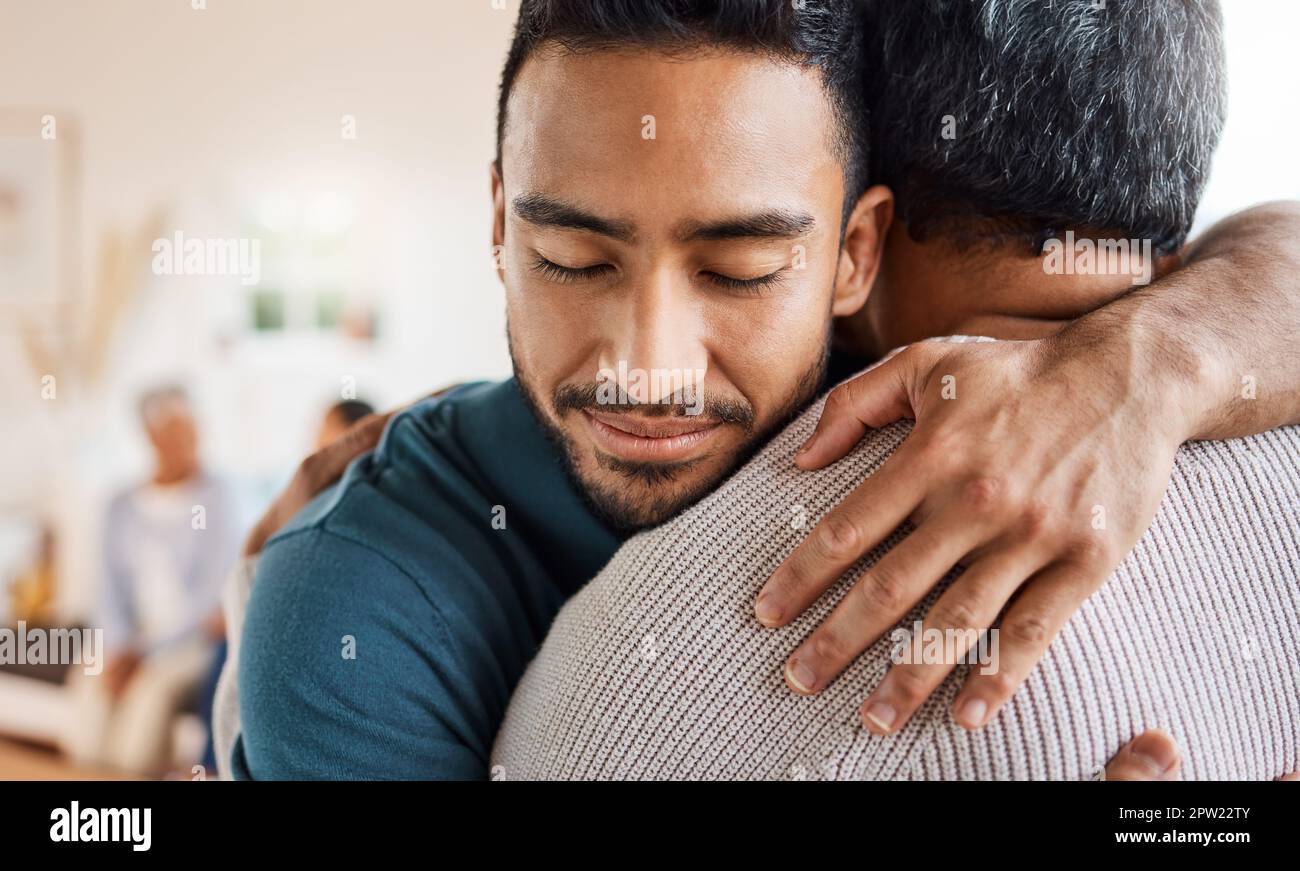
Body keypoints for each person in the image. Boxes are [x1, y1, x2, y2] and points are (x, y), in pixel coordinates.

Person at [230, 0, 1300, 779]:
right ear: (500, 225)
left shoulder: (910, 364)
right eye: (571, 256)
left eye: (739, 270)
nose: (649, 364)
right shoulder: (351, 615)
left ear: (856, 254)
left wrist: (1134, 374)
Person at [68, 385, 239, 775]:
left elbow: (210, 593)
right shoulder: (120, 503)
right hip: (125, 641)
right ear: (151, 436)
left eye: (193, 429)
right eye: (177, 430)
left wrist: (144, 651)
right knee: (89, 688)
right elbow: (106, 589)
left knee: (149, 697)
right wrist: (119, 646)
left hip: (187, 642)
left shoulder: (218, 497)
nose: (190, 440)